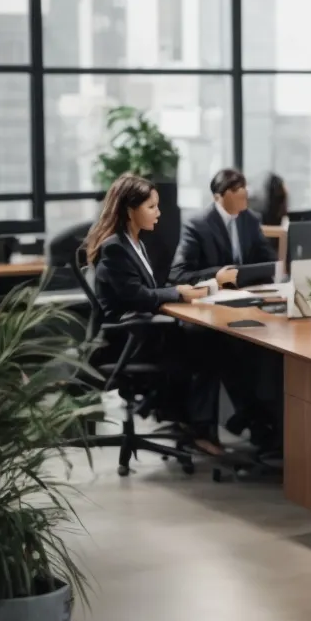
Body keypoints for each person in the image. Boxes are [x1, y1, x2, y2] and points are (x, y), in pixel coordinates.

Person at [85, 174, 224, 456]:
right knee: (208, 349)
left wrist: (180, 291)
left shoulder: (134, 243)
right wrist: (179, 294)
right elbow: (138, 296)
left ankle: (182, 418)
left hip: (141, 334)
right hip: (125, 342)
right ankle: (195, 427)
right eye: (151, 207)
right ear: (129, 210)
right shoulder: (114, 247)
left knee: (204, 342)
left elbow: (146, 292)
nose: (159, 213)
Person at [169, 169, 276, 286]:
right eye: (235, 190)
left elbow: (269, 261)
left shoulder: (251, 219)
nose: (243, 193)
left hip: (248, 290)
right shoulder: (196, 225)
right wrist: (217, 276)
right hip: (213, 293)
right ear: (217, 197)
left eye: (244, 187)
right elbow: (178, 274)